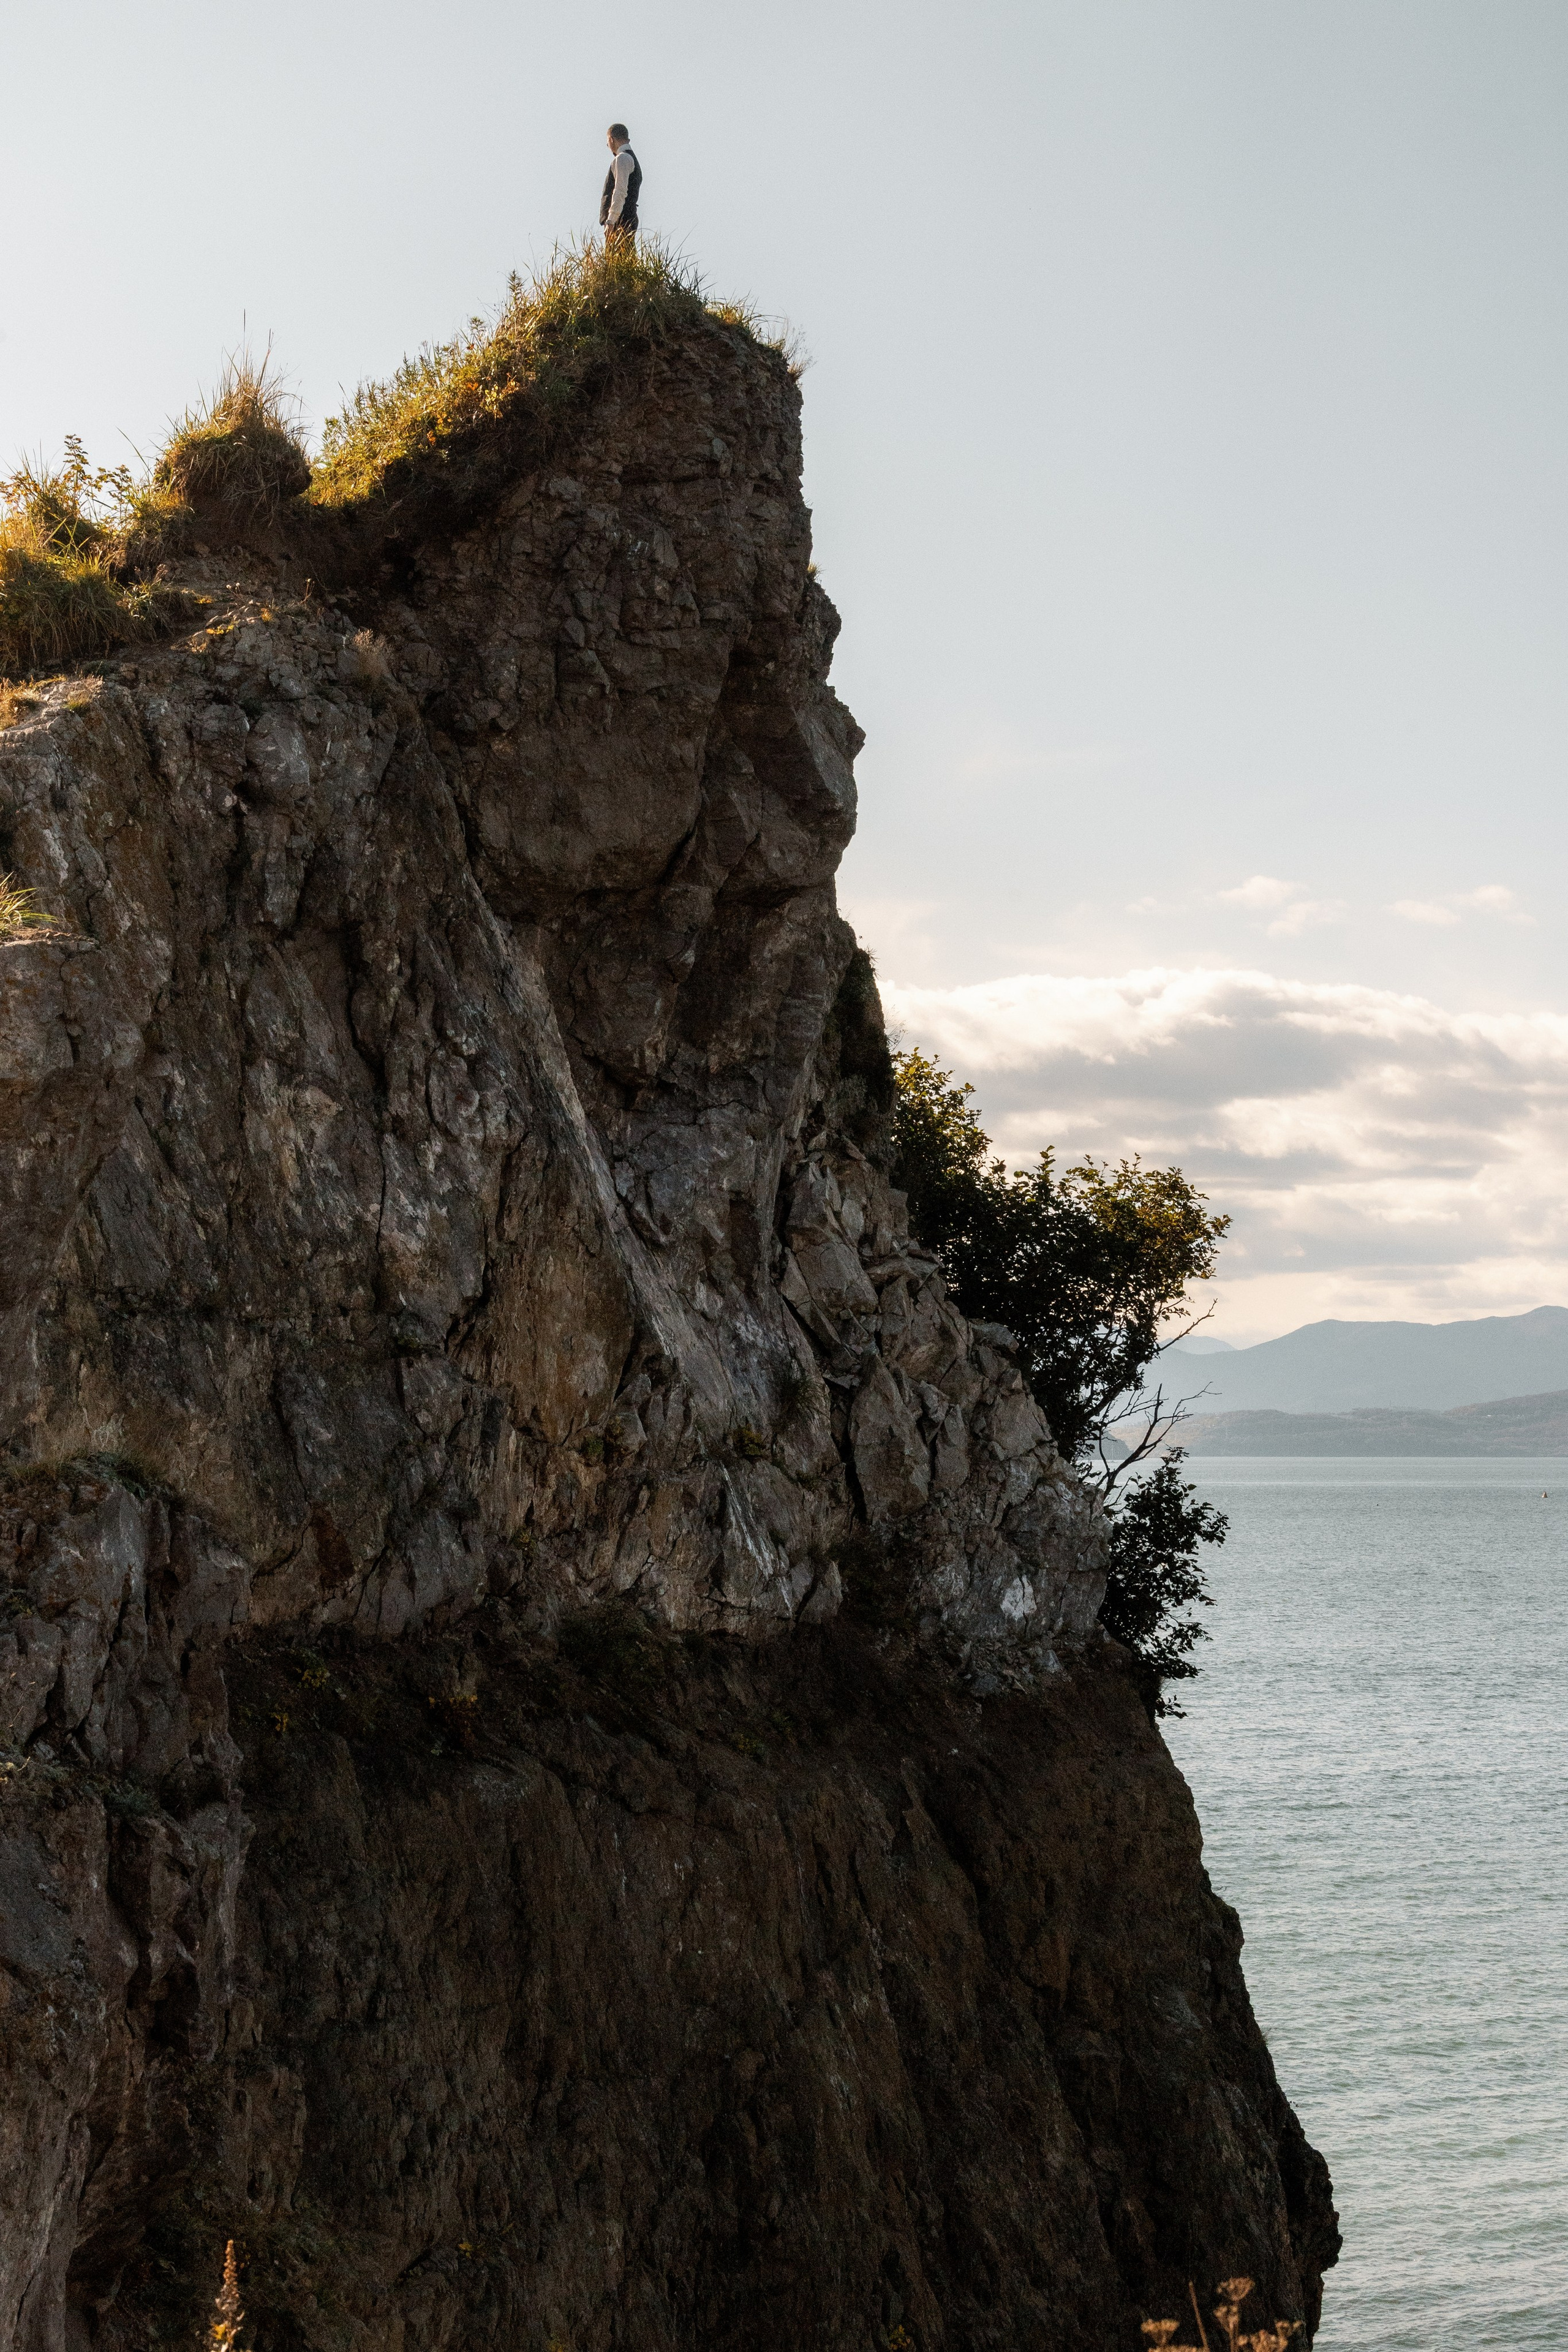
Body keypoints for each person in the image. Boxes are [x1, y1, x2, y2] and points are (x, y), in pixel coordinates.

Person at [600, 124, 641, 249]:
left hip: (620, 220)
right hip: (627, 218)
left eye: (607, 141)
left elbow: (620, 191)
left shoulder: (622, 158)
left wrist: (611, 221)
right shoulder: (630, 158)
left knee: (616, 256)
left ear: (611, 139)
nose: (607, 145)